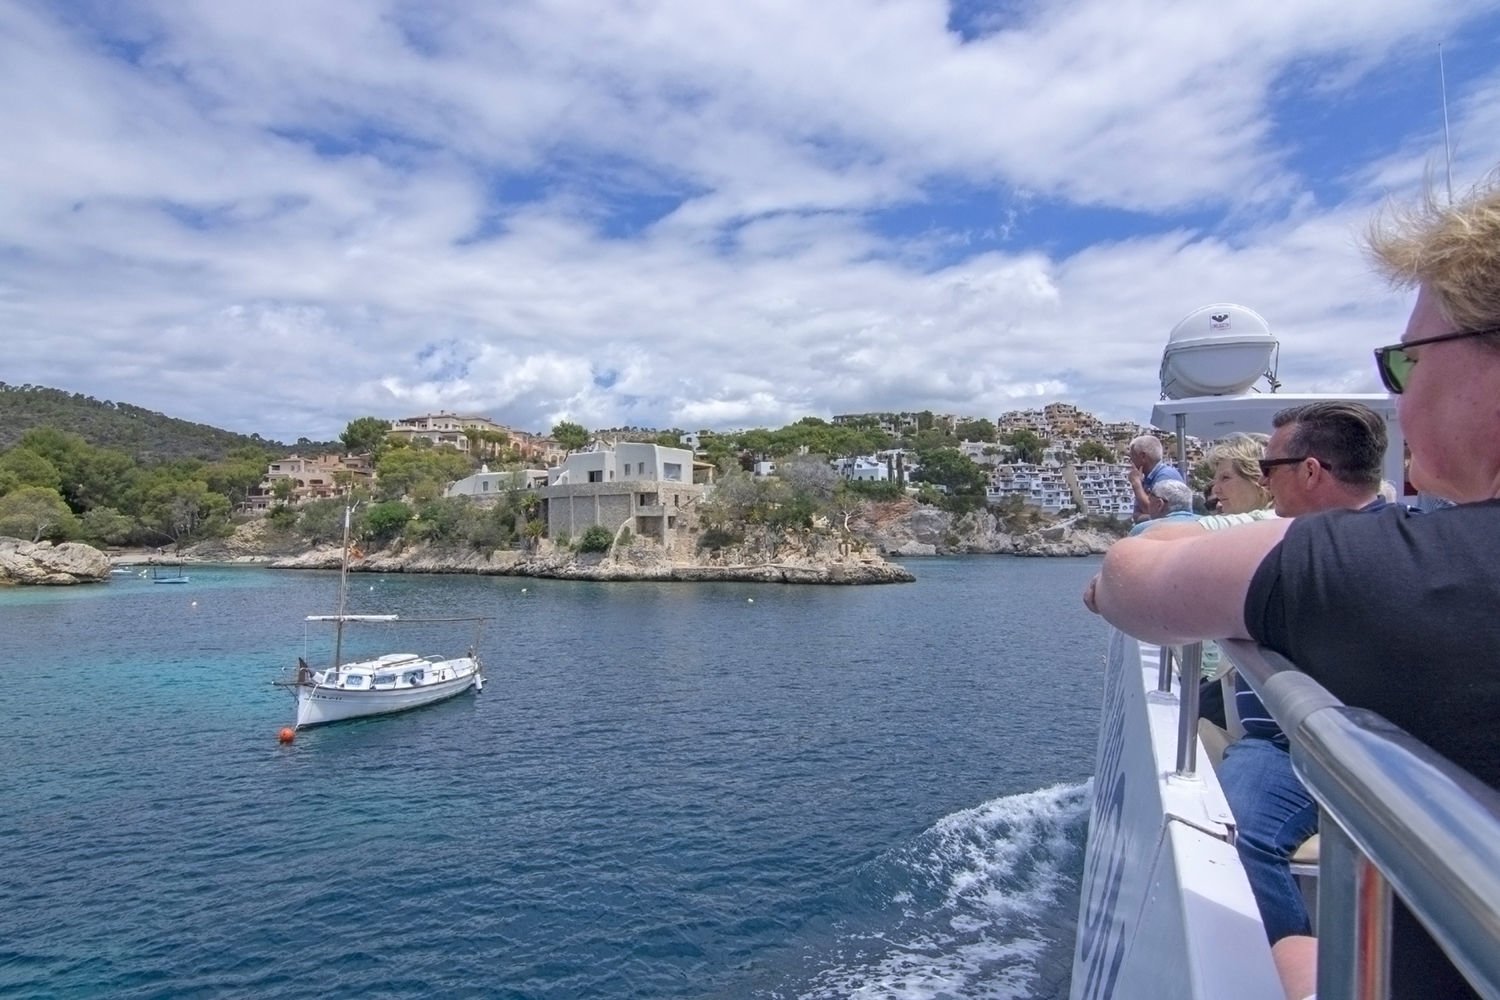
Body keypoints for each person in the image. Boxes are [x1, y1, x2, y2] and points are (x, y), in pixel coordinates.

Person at [1083, 169, 1500, 999]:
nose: (1403, 394)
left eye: (1409, 361)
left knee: (1242, 832)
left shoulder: (1400, 563)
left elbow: (1129, 576)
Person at [1214, 400, 1388, 945]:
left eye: (1269, 469)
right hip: (1294, 742)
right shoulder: (1288, 541)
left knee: (1243, 831)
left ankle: (1287, 967)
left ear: (1310, 472)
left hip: (1303, 747)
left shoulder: (1301, 547)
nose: (1265, 482)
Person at [1127, 434, 1185, 522]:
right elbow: (1136, 514)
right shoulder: (1147, 478)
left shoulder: (1166, 476)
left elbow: (1151, 511)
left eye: (1132, 457)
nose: (1131, 462)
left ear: (1143, 456)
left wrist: (1136, 484)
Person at [1127, 479, 1198, 535]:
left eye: (1150, 501)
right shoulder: (1204, 524)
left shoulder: (1143, 530)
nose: (1149, 506)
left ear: (1159, 505)